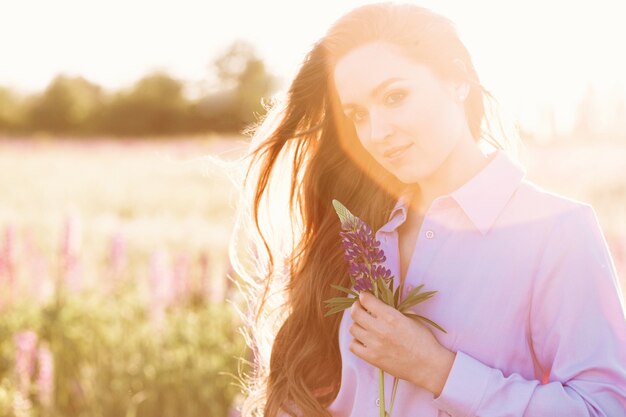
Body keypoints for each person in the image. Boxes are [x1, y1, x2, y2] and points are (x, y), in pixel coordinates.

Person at [228, 2, 626, 416]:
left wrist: (438, 370)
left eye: (395, 96)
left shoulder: (556, 231)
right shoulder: (358, 230)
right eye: (357, 115)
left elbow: (603, 408)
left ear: (457, 79)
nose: (377, 133)